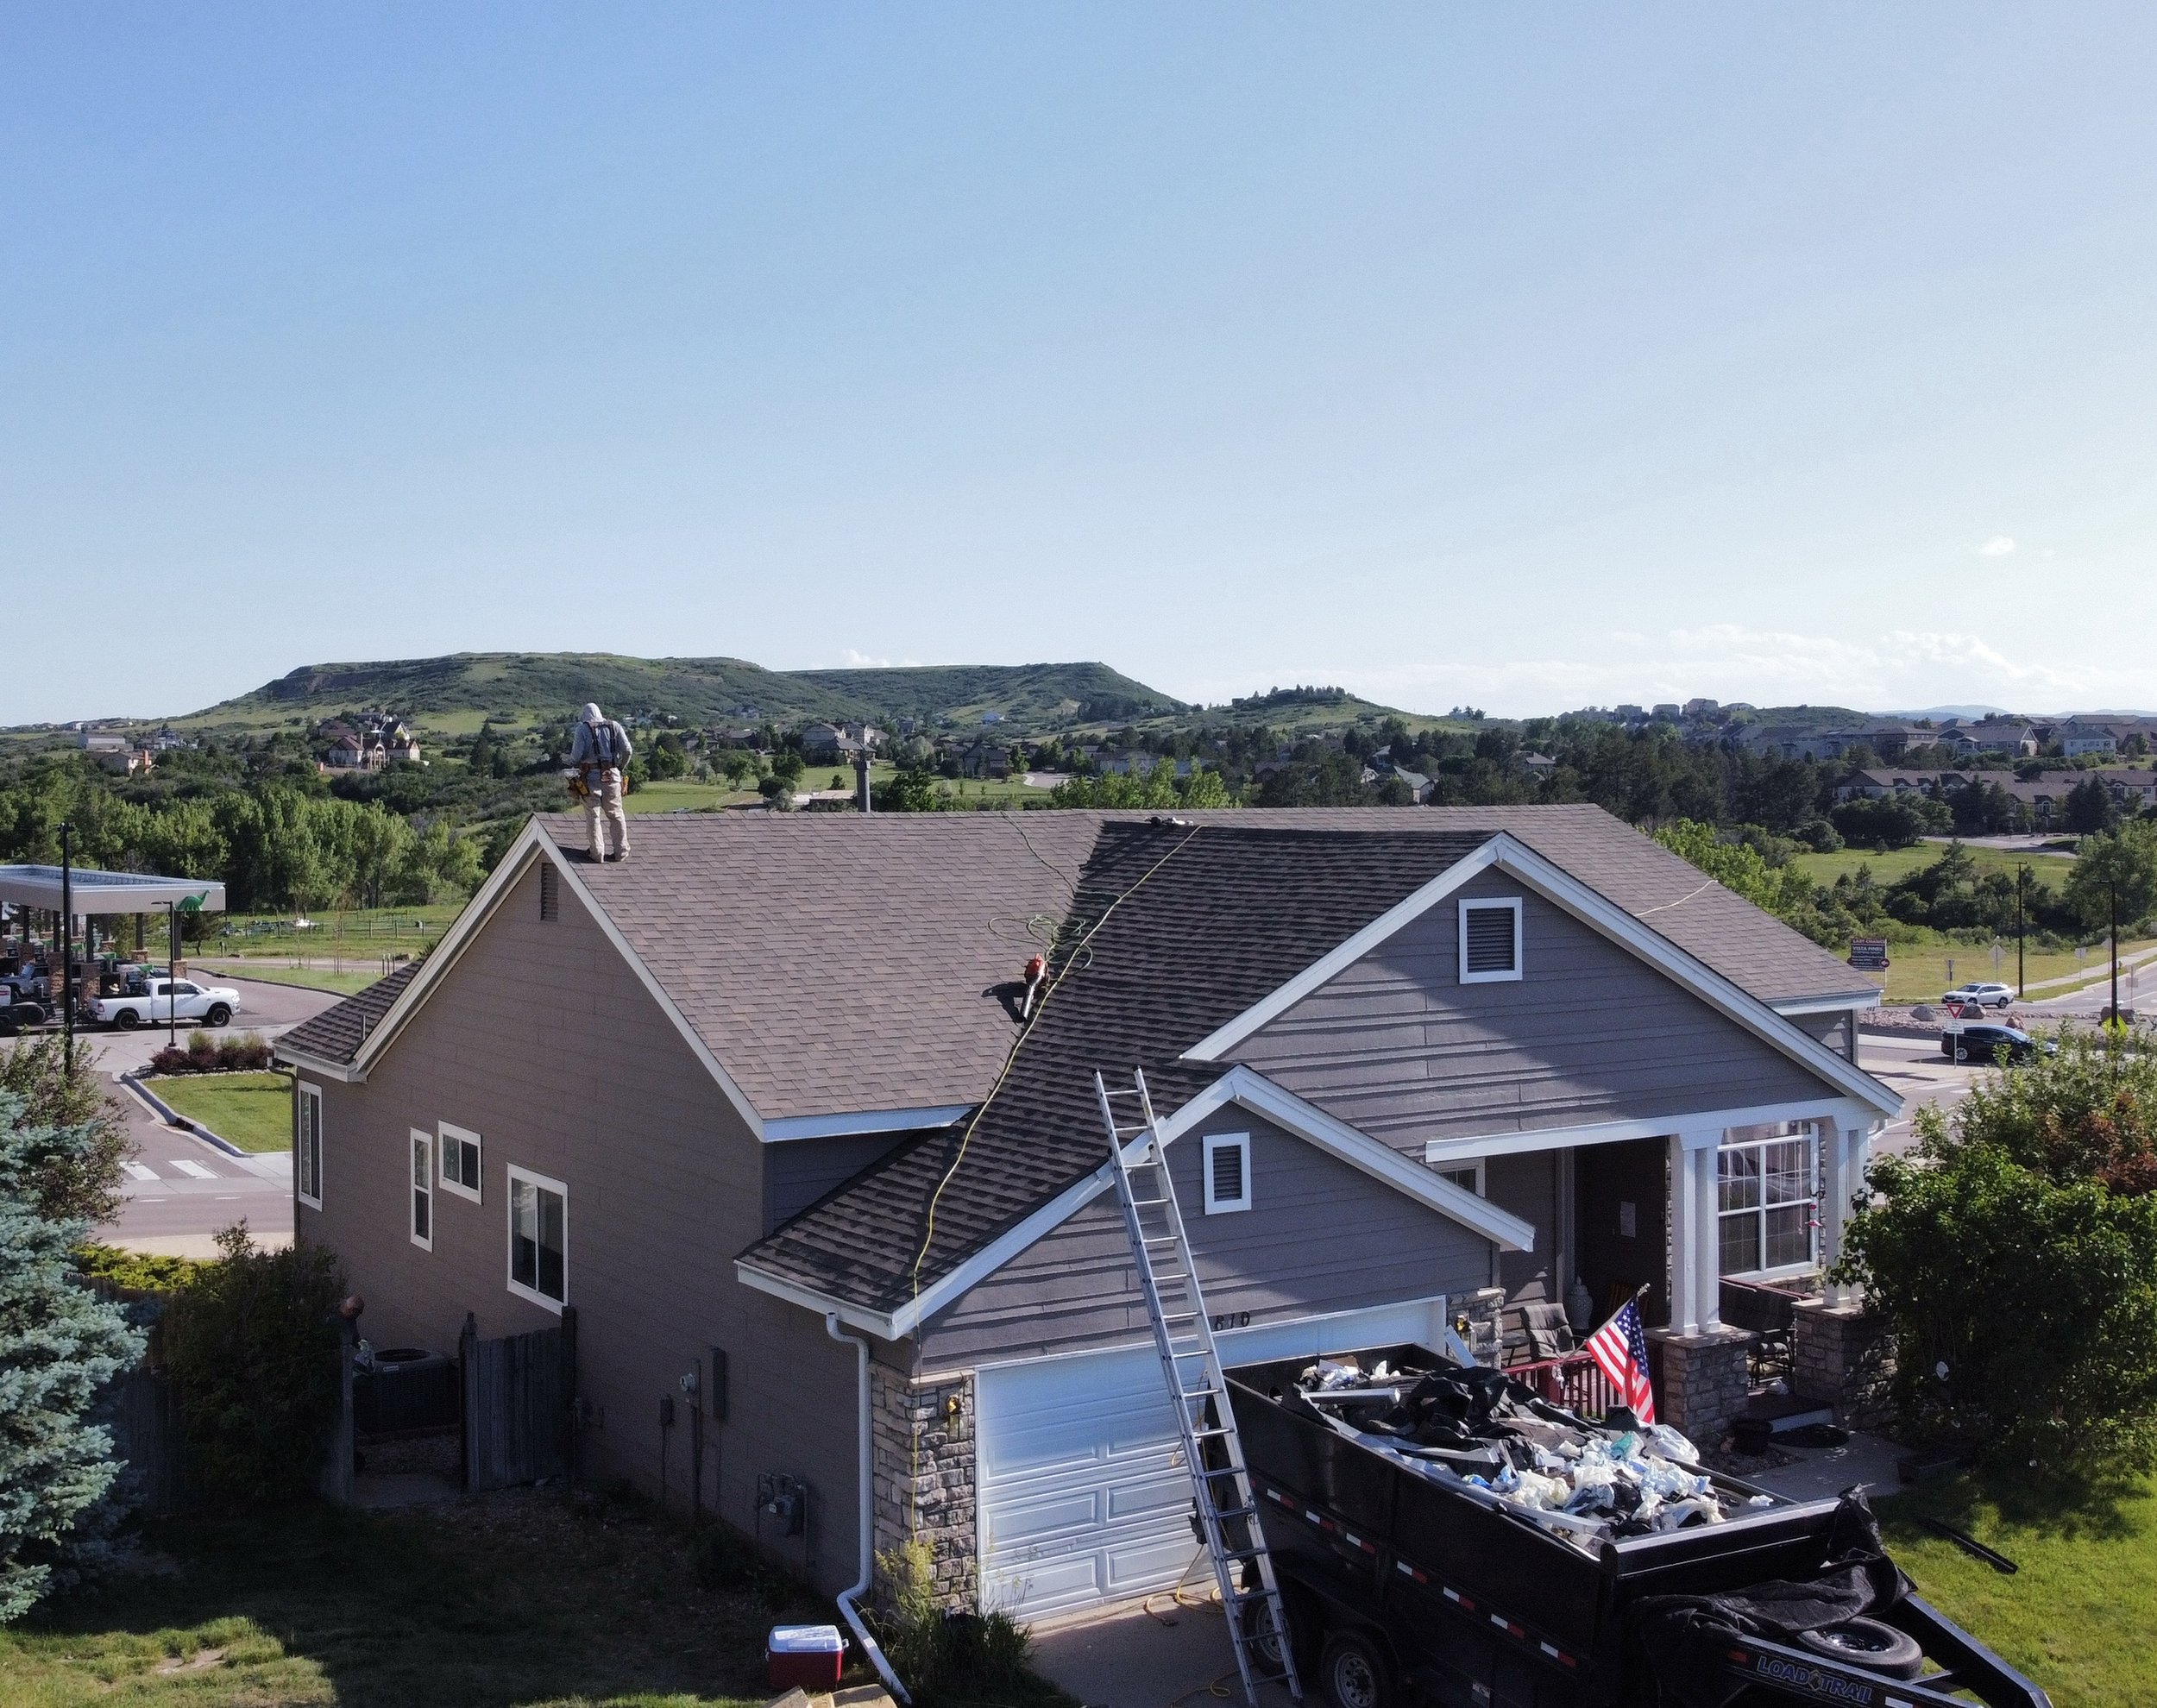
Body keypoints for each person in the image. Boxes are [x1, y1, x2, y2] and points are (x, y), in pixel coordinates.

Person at [568, 702, 634, 862]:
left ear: (584, 716)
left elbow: (576, 757)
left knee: (593, 815)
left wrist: (571, 762)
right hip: (613, 776)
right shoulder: (615, 726)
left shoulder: (582, 729)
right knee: (616, 814)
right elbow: (628, 750)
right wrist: (619, 767)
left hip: (591, 777)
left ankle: (597, 853)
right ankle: (621, 852)